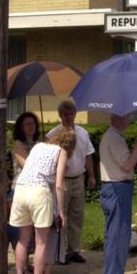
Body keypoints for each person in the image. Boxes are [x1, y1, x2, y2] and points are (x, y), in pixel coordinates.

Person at [10, 127, 76, 274]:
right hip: (39, 192)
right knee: (41, 242)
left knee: (23, 240)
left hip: (21, 189)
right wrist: (61, 211)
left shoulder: (38, 146)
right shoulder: (61, 152)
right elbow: (59, 184)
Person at [98, 113, 137, 274]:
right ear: (119, 119)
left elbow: (125, 163)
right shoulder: (114, 137)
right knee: (117, 234)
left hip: (115, 187)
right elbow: (126, 165)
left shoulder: (113, 136)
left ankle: (115, 273)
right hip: (117, 188)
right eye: (128, 117)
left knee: (116, 233)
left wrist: (135, 160)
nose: (130, 120)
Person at [45, 100, 96, 264]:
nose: (67, 117)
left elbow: (88, 155)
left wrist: (92, 176)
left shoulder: (83, 133)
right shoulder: (53, 133)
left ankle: (74, 250)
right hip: (62, 181)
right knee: (61, 217)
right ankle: (60, 253)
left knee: (77, 216)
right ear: (60, 116)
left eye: (70, 114)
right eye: (64, 114)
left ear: (75, 114)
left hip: (78, 178)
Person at [10, 112, 42, 254]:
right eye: (27, 124)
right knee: (22, 230)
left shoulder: (39, 143)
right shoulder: (18, 144)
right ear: (21, 127)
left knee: (36, 229)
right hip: (21, 189)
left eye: (33, 123)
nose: (31, 127)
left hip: (36, 188)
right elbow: (27, 164)